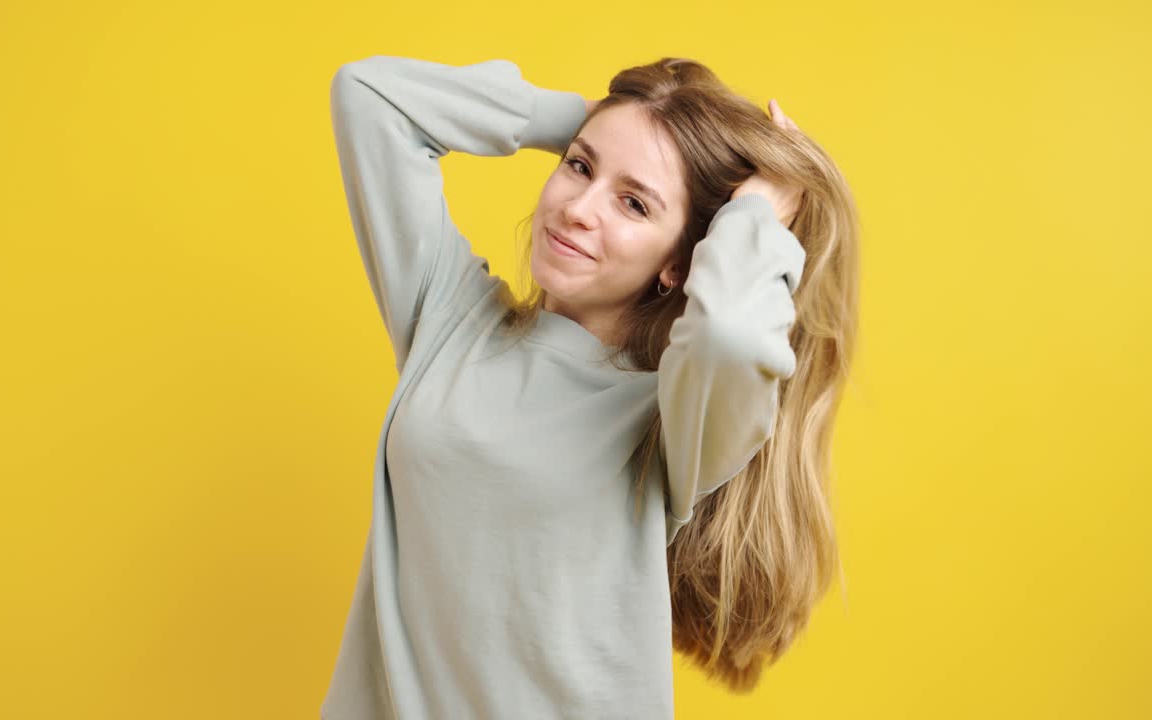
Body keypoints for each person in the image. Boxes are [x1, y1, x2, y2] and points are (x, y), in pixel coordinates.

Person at [322, 54, 860, 719]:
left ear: (679, 264)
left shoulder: (673, 416)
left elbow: (727, 333)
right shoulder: (450, 323)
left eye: (634, 203)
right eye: (578, 167)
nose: (578, 208)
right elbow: (370, 96)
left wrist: (753, 215)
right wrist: (592, 121)